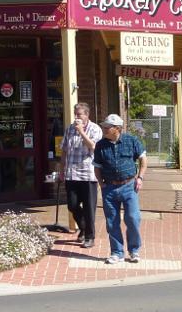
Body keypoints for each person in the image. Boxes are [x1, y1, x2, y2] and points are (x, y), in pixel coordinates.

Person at [93, 114, 147, 264]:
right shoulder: (100, 145)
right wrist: (101, 183)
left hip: (129, 186)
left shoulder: (131, 141)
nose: (103, 129)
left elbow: (143, 159)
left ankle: (134, 250)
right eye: (103, 126)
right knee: (112, 222)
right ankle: (117, 252)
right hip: (109, 188)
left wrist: (140, 178)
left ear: (117, 129)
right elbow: (97, 166)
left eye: (107, 127)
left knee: (133, 218)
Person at [59, 102, 102, 249]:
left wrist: (82, 132)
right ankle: (83, 227)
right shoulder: (69, 129)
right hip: (72, 173)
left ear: (87, 115)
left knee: (89, 208)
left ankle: (89, 237)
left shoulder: (95, 129)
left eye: (79, 114)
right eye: (75, 114)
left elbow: (94, 147)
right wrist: (61, 169)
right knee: (72, 205)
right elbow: (64, 149)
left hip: (88, 174)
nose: (76, 117)